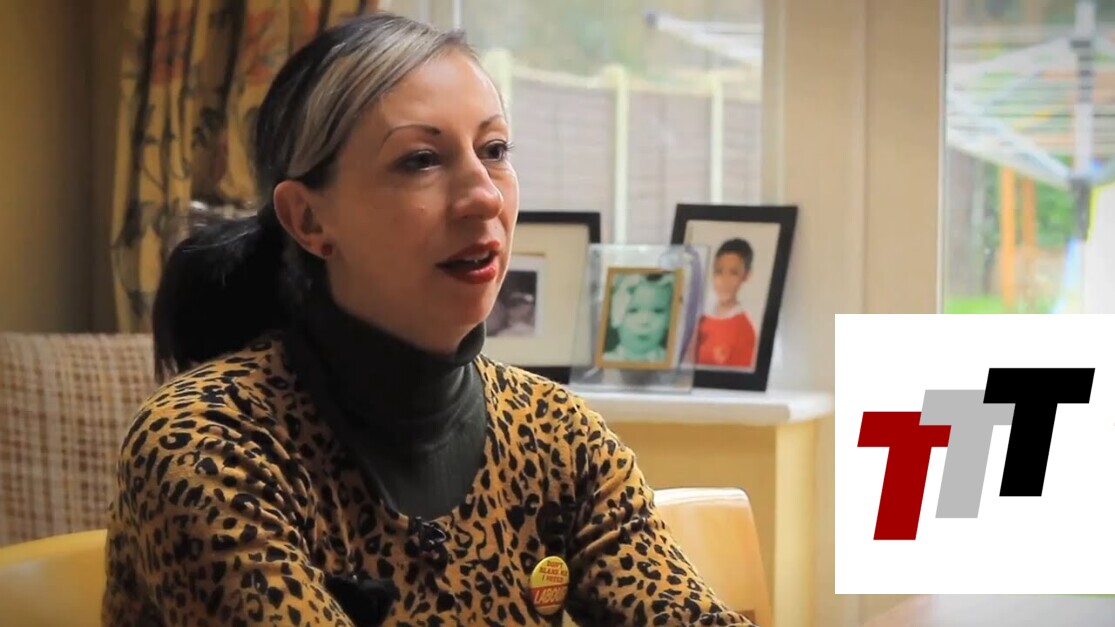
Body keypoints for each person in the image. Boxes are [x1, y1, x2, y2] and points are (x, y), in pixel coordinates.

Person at [101, 13, 756, 627]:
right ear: (309, 218)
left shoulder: (558, 436)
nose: (484, 196)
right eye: (420, 159)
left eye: (494, 149)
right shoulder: (208, 443)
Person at [696, 239, 758, 368]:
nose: (725, 281)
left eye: (733, 273)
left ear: (746, 275)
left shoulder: (744, 330)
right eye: (719, 271)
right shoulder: (700, 319)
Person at [601, 272, 676, 365]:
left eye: (657, 311)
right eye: (633, 311)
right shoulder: (606, 360)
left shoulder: (672, 361)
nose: (644, 321)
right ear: (614, 315)